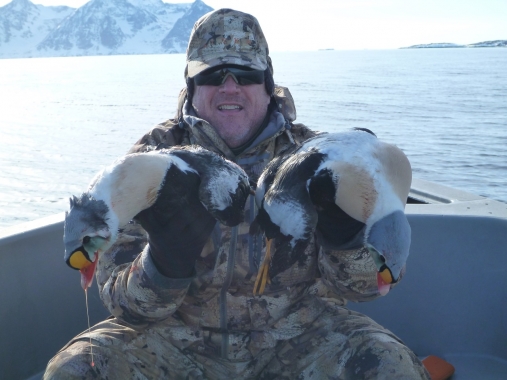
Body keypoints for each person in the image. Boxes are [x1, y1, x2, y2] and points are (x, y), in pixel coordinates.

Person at [44, 8, 430, 380]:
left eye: (245, 74)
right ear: (192, 87)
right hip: (176, 338)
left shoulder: (322, 162)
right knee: (75, 370)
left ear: (267, 84)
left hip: (299, 334)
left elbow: (367, 287)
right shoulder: (146, 164)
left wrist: (344, 236)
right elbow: (125, 306)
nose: (230, 86)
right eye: (212, 75)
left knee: (392, 366)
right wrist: (165, 261)